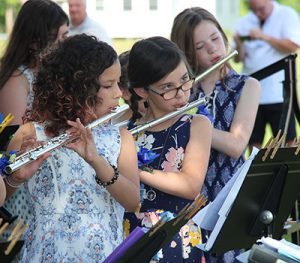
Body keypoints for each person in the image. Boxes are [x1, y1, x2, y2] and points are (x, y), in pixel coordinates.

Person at [5, 34, 140, 262]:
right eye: (108, 85)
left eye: (118, 83)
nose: (118, 93)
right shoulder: (30, 134)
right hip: (46, 252)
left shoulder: (120, 137)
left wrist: (96, 160)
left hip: (104, 252)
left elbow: (133, 202)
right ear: (78, 89)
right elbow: (4, 197)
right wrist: (16, 178)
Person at [171, 7, 260, 262]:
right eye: (200, 45)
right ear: (187, 53)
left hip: (228, 196)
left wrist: (189, 122)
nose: (213, 48)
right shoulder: (182, 91)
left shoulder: (246, 86)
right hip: (189, 194)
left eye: (215, 38)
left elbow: (236, 145)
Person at [124, 36, 212, 262]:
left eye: (185, 80)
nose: (182, 94)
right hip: (134, 237)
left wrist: (134, 168)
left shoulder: (197, 125)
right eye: (168, 88)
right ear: (142, 91)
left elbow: (191, 186)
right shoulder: (125, 132)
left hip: (179, 240)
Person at [0, 0, 69, 229]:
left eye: (67, 36)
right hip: (21, 182)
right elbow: (17, 138)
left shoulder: (48, 74)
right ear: (34, 43)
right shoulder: (16, 79)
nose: (65, 44)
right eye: (59, 38)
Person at [233, 0, 300, 150]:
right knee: (253, 146)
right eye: (253, 10)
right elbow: (238, 58)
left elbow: (293, 46)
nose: (257, 13)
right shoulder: (244, 22)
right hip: (251, 95)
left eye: (261, 9)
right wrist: (239, 44)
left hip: (280, 92)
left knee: (288, 144)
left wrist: (263, 36)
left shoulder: (287, 15)